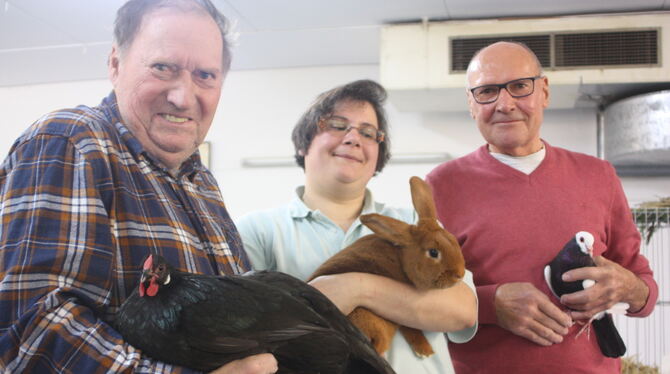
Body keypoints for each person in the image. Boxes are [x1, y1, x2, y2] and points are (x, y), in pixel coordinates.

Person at [0, 1, 278, 373]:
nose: (183, 96)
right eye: (163, 67)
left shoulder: (202, 182)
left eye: (205, 75)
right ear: (115, 64)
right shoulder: (71, 141)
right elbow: (33, 332)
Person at [426, 41, 659, 373]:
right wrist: (490, 304)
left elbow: (644, 289)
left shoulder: (598, 176)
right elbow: (421, 296)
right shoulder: (440, 185)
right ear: (471, 104)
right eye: (487, 91)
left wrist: (627, 287)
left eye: (520, 87)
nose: (504, 104)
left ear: (544, 92)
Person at [236, 79, 478, 374]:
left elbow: (461, 311)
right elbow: (248, 329)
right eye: (337, 125)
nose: (353, 139)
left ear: (378, 154)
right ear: (303, 143)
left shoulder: (417, 226)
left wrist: (356, 288)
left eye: (368, 133)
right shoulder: (259, 231)